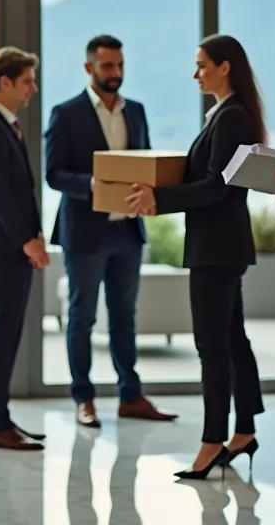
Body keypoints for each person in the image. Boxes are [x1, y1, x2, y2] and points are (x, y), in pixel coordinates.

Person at [125, 34, 266, 480]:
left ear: (225, 67)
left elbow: (215, 187)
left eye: (202, 64)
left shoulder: (230, 119)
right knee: (232, 341)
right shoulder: (228, 116)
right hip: (222, 246)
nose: (195, 73)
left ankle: (212, 441)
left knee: (213, 347)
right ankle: (242, 432)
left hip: (216, 249)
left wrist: (158, 198)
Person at [45, 34, 178, 428]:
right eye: (107, 66)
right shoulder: (65, 113)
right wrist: (93, 184)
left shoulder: (135, 111)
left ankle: (130, 396)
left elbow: (147, 160)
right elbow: (53, 174)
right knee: (81, 317)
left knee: (125, 316)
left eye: (120, 66)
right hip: (84, 232)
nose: (115, 73)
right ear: (89, 68)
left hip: (128, 232)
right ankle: (83, 398)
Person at [0, 46, 50, 451]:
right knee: (2, 334)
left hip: (7, 245)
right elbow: (0, 196)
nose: (33, 89)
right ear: (5, 82)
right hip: (3, 247)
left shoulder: (6, 126)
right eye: (27, 81)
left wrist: (34, 236)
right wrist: (28, 242)